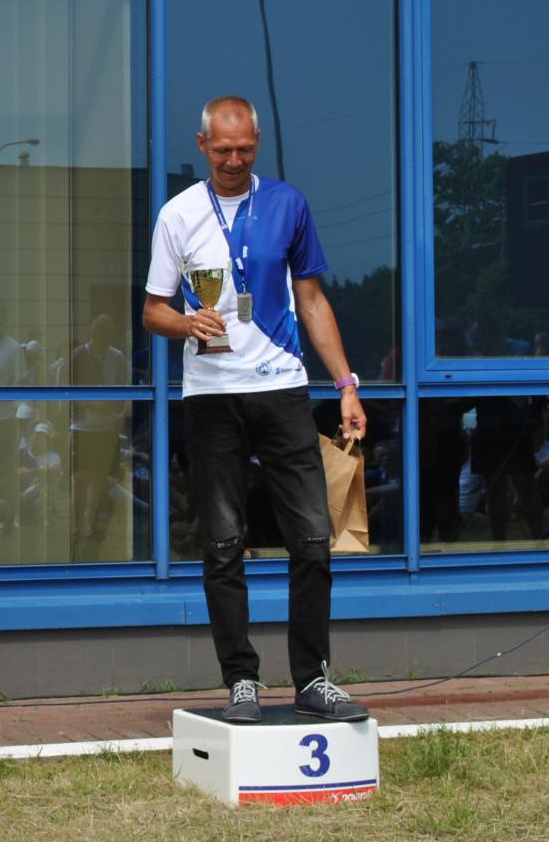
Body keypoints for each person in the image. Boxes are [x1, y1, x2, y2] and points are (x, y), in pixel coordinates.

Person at [142, 95, 369, 724]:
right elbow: (153, 311)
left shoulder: (288, 203)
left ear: (257, 142)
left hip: (283, 389)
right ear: (201, 145)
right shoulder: (178, 214)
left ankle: (312, 679)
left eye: (245, 149)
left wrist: (346, 385)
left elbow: (312, 300)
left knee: (313, 540)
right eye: (223, 150)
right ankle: (241, 680)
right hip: (212, 397)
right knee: (222, 544)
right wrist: (187, 322)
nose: (234, 160)